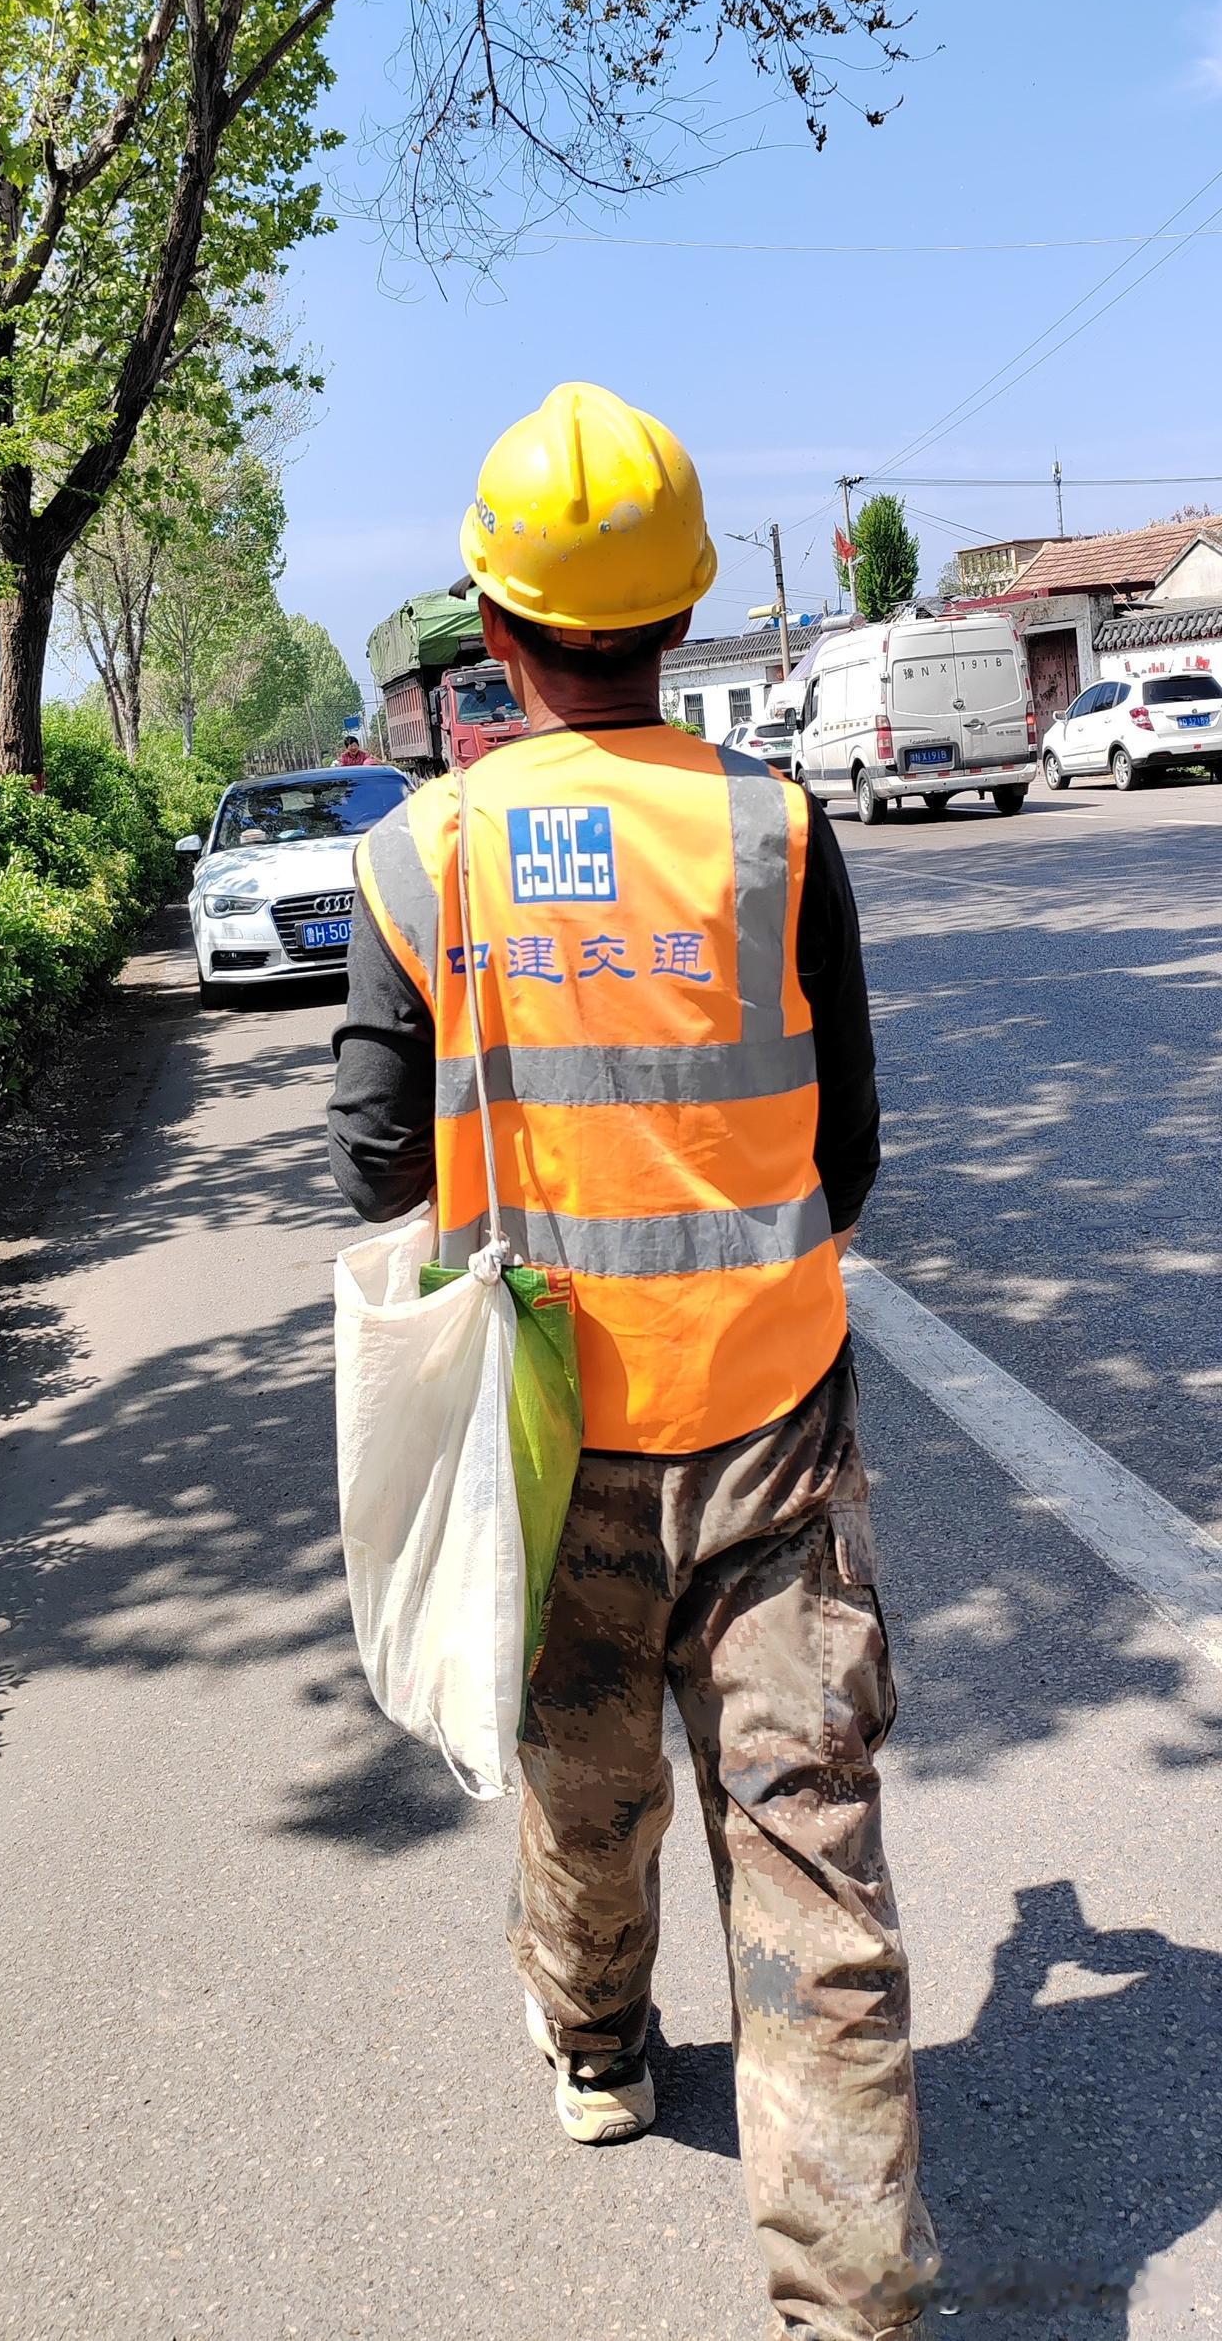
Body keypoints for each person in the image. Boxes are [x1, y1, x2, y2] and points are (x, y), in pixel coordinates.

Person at [327, 382, 936, 2341]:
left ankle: (599, 2047)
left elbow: (361, 1162)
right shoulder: (774, 826)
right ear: (682, 615)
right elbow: (844, 1145)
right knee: (802, 1831)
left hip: (542, 1430)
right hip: (768, 1414)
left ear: (491, 634)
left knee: (582, 1788)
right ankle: (847, 2289)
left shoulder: (420, 860)